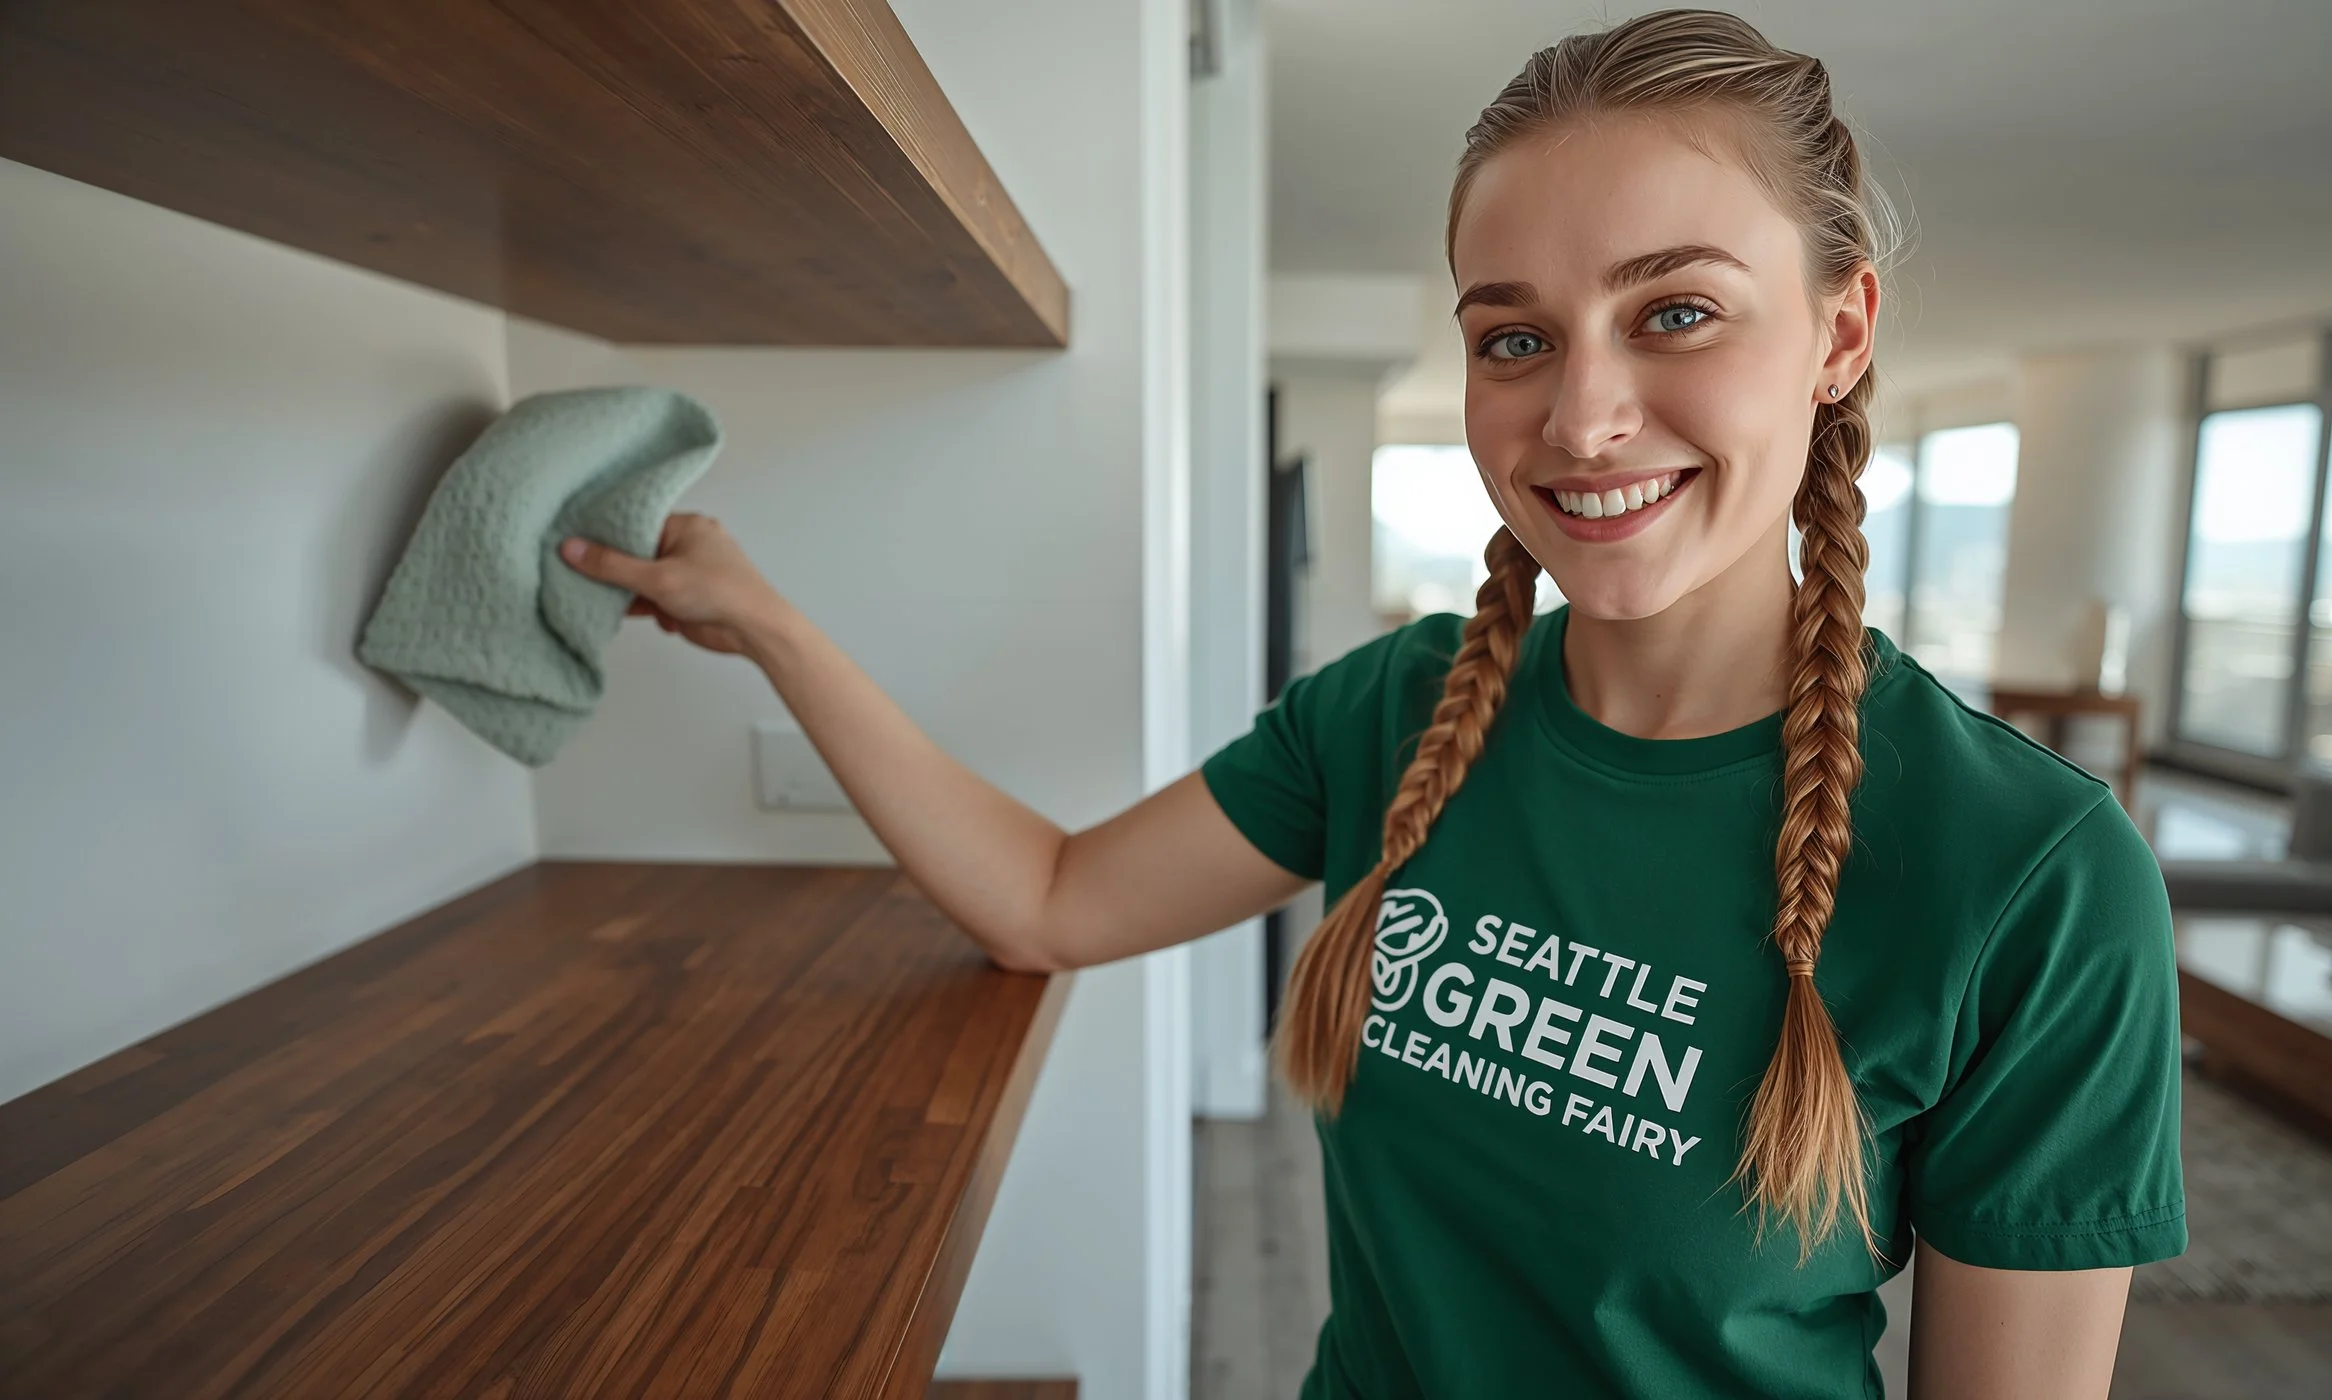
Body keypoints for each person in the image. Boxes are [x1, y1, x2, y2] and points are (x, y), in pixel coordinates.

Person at [557, 9, 2187, 1396]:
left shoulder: (2030, 872)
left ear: (1839, 333)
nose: (1583, 418)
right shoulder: (1402, 713)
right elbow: (1046, 900)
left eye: (1675, 313)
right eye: (1514, 339)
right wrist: (771, 625)